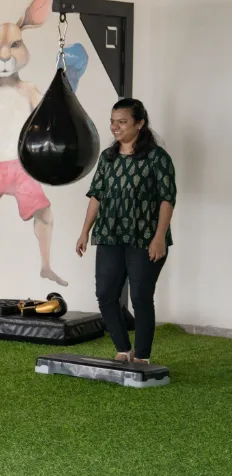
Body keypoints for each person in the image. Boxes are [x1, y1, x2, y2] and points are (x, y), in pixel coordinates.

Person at [76, 98, 176, 364]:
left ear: (139, 124)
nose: (115, 127)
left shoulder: (157, 158)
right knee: (105, 295)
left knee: (141, 297)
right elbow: (96, 196)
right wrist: (85, 232)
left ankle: (142, 356)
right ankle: (123, 349)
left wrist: (159, 237)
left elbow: (167, 199)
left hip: (145, 237)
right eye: (113, 122)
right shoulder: (107, 158)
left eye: (122, 122)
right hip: (109, 235)